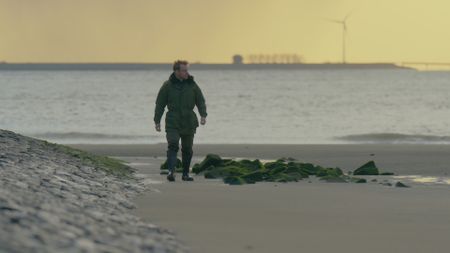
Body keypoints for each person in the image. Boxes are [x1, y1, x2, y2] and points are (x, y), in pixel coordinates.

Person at [154, 60, 207, 182]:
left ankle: (185, 174)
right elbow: (160, 104)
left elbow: (200, 100)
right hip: (173, 120)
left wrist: (203, 115)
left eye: (187, 70)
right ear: (176, 71)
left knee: (187, 148)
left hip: (189, 121)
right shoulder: (167, 86)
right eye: (184, 70)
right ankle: (171, 172)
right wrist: (157, 121)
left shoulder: (192, 85)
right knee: (173, 144)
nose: (186, 72)